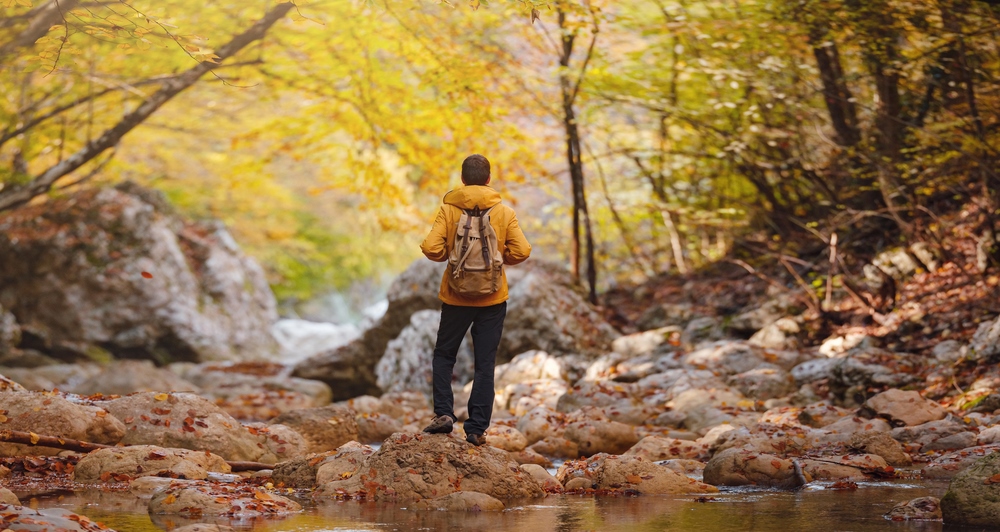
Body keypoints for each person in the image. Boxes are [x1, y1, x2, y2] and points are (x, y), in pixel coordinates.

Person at [418, 154, 531, 446]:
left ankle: (443, 414)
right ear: (489, 179)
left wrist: (449, 255)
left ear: (463, 180)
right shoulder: (504, 212)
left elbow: (432, 247)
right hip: (493, 299)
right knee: (484, 364)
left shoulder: (448, 209)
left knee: (444, 356)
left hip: (455, 297)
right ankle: (476, 429)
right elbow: (522, 251)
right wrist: (496, 259)